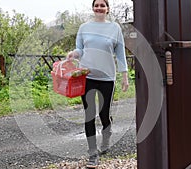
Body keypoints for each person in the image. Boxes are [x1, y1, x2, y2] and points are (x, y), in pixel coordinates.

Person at [66, 0, 129, 167]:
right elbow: (80, 49)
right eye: (96, 5)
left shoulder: (115, 28)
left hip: (107, 78)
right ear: (93, 8)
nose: (99, 8)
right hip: (86, 76)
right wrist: (73, 53)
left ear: (107, 9)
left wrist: (125, 76)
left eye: (102, 5)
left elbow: (121, 53)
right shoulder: (84, 27)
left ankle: (106, 135)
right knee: (89, 115)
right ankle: (92, 153)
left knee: (103, 114)